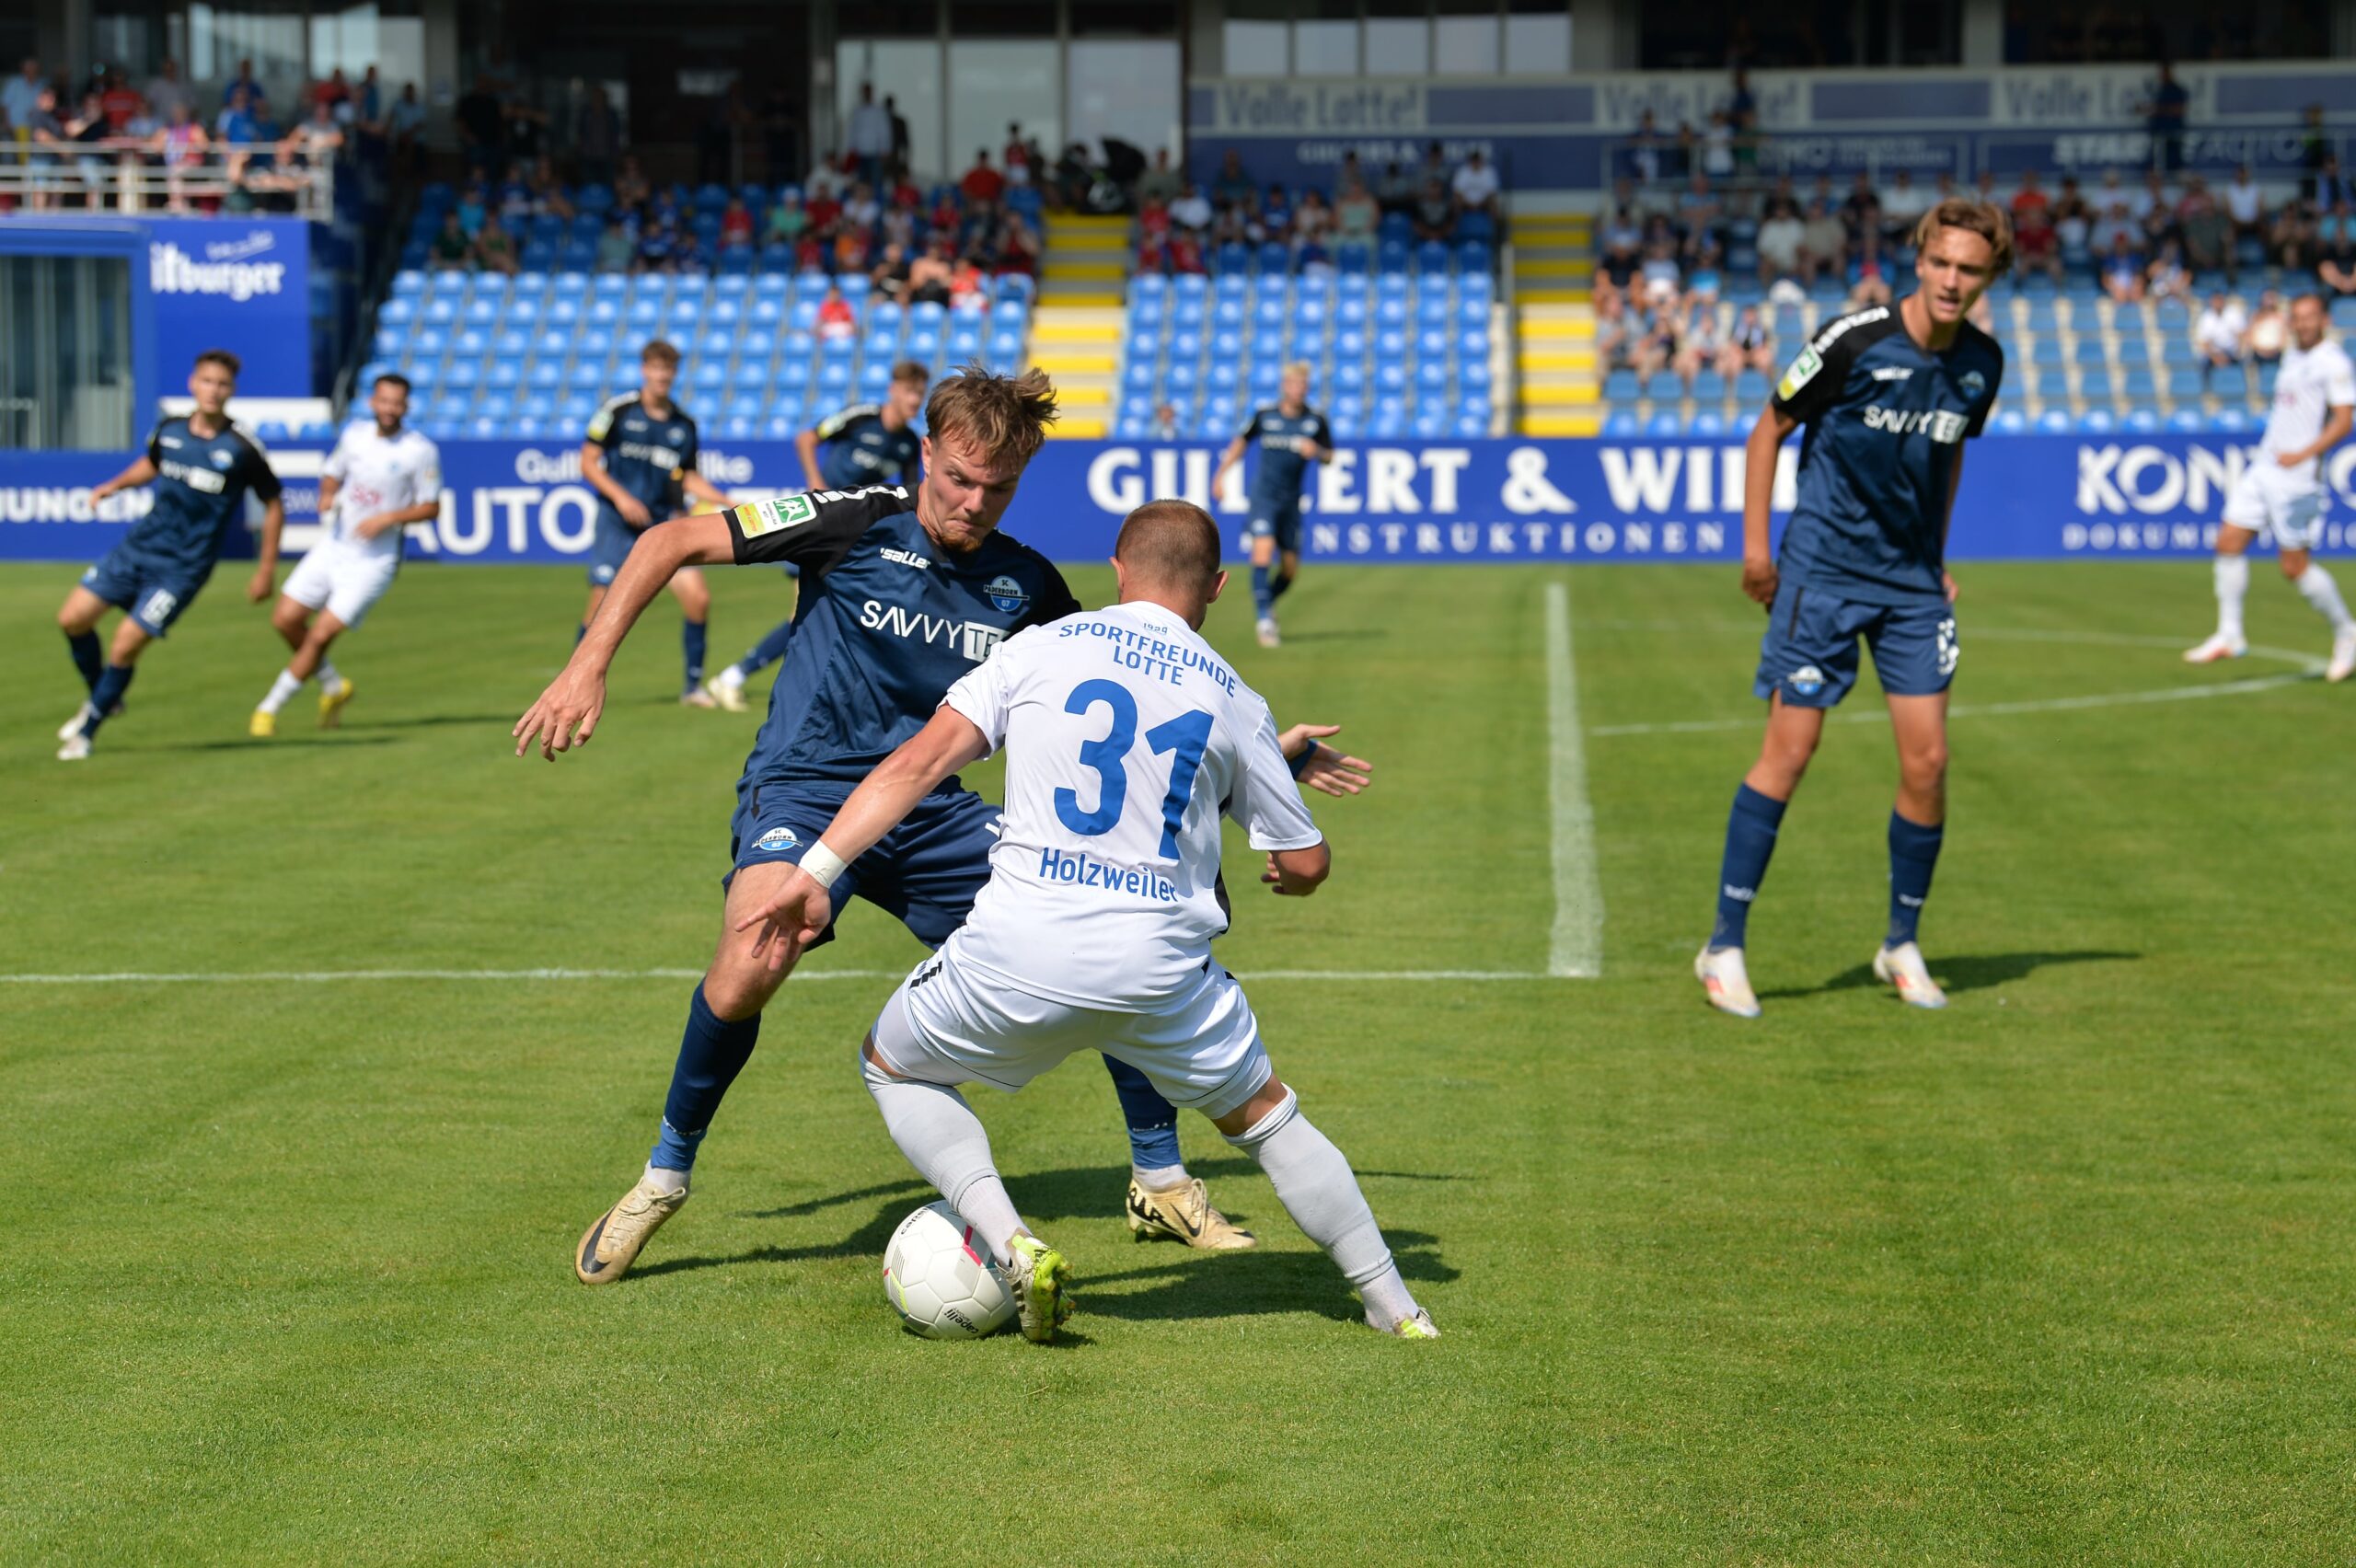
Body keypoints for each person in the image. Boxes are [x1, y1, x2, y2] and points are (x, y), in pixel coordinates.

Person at [517, 367, 1373, 1285]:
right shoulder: (851, 521)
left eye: (994, 489)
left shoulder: (1025, 587)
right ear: (926, 453)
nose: (971, 502)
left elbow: (1131, 702)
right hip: (805, 794)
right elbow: (669, 538)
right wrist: (586, 666)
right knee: (751, 958)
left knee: (1107, 927)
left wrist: (1265, 757)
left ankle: (1158, 1179)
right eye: (956, 478)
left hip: (932, 818)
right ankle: (663, 1178)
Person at [732, 500, 1438, 1343]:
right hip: (1157, 973)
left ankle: (1010, 1241)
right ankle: (1396, 1306)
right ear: (1216, 585)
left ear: (1117, 569)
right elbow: (1307, 861)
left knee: (894, 1066)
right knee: (1269, 1120)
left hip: (1016, 951)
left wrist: (818, 872)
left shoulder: (1035, 648)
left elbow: (917, 762)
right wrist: (1290, 868)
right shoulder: (1232, 696)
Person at [1694, 199, 2010, 1019]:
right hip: (1823, 572)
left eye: (1970, 270)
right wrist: (1758, 551)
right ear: (1920, 260)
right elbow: (1767, 432)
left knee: (1929, 763)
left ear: (1988, 277)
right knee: (1790, 752)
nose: (1952, 280)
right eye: (1942, 263)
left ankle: (1900, 941)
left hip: (1909, 584)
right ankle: (1723, 945)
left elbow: (1949, 465)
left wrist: (1936, 561)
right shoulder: (1852, 338)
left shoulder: (1983, 364)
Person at [55, 351, 285, 762]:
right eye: (207, 381)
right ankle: (104, 696)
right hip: (138, 548)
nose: (214, 390)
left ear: (231, 391)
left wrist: (266, 568)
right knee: (72, 618)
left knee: (125, 645)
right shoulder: (170, 430)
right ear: (192, 384)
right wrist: (114, 486)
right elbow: (152, 464)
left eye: (222, 384)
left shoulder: (242, 447)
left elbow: (273, 503)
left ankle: (86, 733)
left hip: (181, 569)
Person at [704, 362, 930, 712]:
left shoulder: (906, 443)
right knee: (807, 614)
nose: (914, 399)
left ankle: (774, 684)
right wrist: (815, 483)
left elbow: (912, 493)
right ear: (893, 390)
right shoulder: (860, 416)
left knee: (836, 614)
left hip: (858, 538)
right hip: (821, 527)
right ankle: (735, 678)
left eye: (919, 392)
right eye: (909, 391)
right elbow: (807, 438)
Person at [249, 374, 440, 736]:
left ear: (406, 406)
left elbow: (431, 507)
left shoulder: (420, 450)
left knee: (321, 634)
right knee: (285, 620)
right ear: (373, 402)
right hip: (334, 547)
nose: (390, 409)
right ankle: (334, 686)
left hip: (375, 561)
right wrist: (326, 493)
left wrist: (389, 517)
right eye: (384, 401)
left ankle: (268, 708)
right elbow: (332, 473)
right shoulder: (354, 435)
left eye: (397, 402)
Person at [2184, 294, 2356, 684]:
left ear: (2324, 320)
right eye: (2297, 318)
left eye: (2310, 317)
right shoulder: (2293, 357)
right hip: (2265, 467)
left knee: (2293, 567)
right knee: (2227, 541)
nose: (2303, 324)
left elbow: (2345, 421)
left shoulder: (2334, 363)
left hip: (2297, 478)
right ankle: (2230, 633)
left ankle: (2347, 632)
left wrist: (2304, 454)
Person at [580, 340, 733, 706]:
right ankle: (574, 682)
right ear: (644, 370)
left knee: (698, 598)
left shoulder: (684, 425)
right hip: (618, 523)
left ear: (674, 374)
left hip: (661, 528)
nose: (662, 375)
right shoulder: (617, 411)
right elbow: (587, 461)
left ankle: (692, 687)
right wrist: (621, 497)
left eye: (668, 369)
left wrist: (726, 501)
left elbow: (688, 477)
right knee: (601, 603)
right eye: (655, 368)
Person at [1212, 362, 1333, 649]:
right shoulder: (1265, 416)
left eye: (1303, 385)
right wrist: (1220, 475)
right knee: (1263, 550)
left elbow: (1330, 456)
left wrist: (1316, 451)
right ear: (1284, 386)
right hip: (1264, 497)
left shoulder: (1315, 421)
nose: (1298, 389)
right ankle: (1265, 620)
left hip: (1291, 502)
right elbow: (1241, 442)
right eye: (1293, 384)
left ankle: (1267, 600)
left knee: (1290, 570)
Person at [2194, 291, 2248, 379]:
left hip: (2232, 351)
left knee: (2244, 361)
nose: (2218, 303)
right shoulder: (2206, 318)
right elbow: (2204, 343)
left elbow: (2241, 335)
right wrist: (2216, 357)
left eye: (2219, 300)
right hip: (2214, 352)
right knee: (2203, 363)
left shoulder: (2233, 313)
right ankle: (2207, 390)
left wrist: (2238, 352)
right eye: (2215, 301)